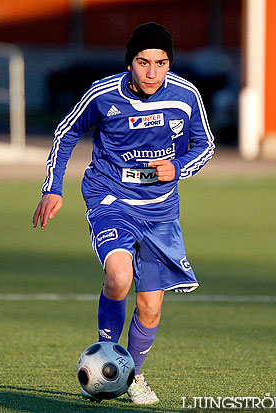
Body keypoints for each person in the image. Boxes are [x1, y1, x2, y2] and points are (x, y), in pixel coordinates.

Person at [32, 22, 214, 405]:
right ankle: (105, 361)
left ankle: (133, 374)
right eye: (143, 62)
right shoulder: (103, 94)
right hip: (110, 200)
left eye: (161, 63)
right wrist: (53, 188)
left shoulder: (185, 95)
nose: (152, 72)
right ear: (129, 62)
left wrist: (178, 168)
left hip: (160, 211)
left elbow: (205, 145)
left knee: (150, 304)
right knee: (119, 276)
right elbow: (66, 133)